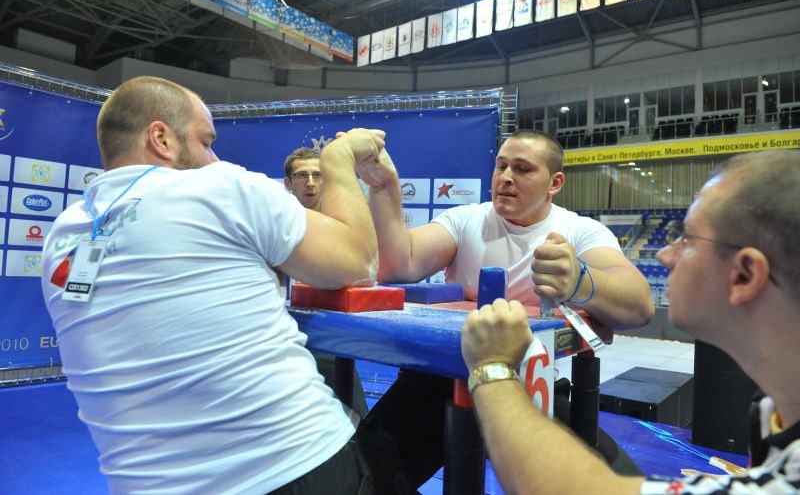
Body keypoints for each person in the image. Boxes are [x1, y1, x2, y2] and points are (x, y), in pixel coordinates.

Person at [39, 76, 428, 494]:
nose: (214, 156)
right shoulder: (221, 186)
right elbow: (359, 262)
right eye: (206, 141)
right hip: (296, 472)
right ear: (161, 139)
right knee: (445, 384)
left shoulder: (64, 235)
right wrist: (337, 159)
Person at [460, 149, 800, 494]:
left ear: (744, 275)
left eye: (688, 238)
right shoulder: (774, 407)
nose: (666, 255)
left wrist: (494, 367)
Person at [368, 129, 653, 330]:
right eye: (501, 166)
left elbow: (640, 306)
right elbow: (398, 265)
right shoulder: (465, 220)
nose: (505, 178)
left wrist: (580, 281)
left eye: (522, 169)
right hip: (451, 366)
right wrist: (383, 187)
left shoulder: (580, 231)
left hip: (536, 375)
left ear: (554, 183)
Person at [283, 145, 370, 419]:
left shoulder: (341, 230)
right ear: (288, 183)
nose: (310, 183)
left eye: (317, 175)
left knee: (357, 423)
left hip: (331, 341)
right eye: (301, 176)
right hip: (284, 343)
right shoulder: (272, 226)